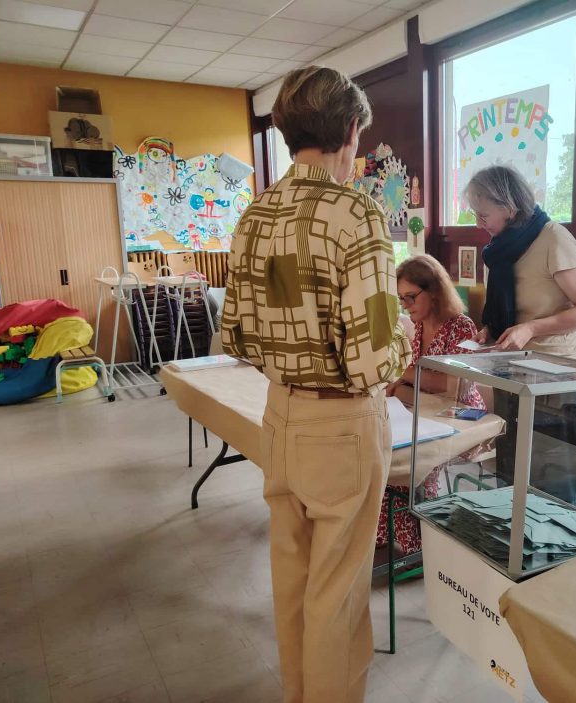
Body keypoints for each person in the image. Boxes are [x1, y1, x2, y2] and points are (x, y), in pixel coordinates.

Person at [221, 65, 411, 703]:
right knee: (338, 595)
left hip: (279, 417)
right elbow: (373, 360)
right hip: (342, 426)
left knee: (294, 582)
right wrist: (404, 329)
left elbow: (238, 335)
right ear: (351, 129)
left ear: (286, 129)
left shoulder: (256, 212)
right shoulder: (357, 211)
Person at [464, 165, 576, 492]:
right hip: (514, 369)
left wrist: (531, 329)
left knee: (551, 473)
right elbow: (508, 306)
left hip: (558, 374)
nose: (478, 224)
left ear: (509, 207)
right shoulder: (500, 248)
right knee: (512, 468)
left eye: (483, 215)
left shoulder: (553, 238)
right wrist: (491, 330)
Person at [379, 255, 483, 554]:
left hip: (460, 415)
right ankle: (389, 534)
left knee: (412, 464)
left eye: (410, 297)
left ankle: (421, 546)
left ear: (434, 291)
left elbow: (454, 386)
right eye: (401, 299)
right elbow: (418, 378)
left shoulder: (461, 327)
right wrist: (396, 385)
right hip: (424, 408)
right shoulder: (420, 325)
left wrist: (404, 374)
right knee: (385, 457)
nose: (405, 306)